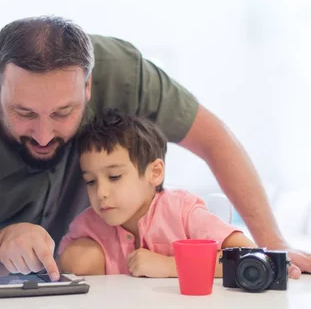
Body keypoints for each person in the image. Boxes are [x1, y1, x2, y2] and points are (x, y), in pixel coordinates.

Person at [0, 15, 311, 281]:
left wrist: (274, 247)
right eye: (24, 113)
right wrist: (0, 239)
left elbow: (213, 139)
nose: (44, 135)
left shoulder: (125, 72)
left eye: (64, 113)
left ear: (89, 88)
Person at [57, 110, 255, 277]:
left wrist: (170, 266)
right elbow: (62, 269)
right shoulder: (88, 225)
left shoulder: (182, 212)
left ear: (155, 173)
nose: (101, 193)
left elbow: (247, 255)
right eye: (91, 181)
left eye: (115, 176)